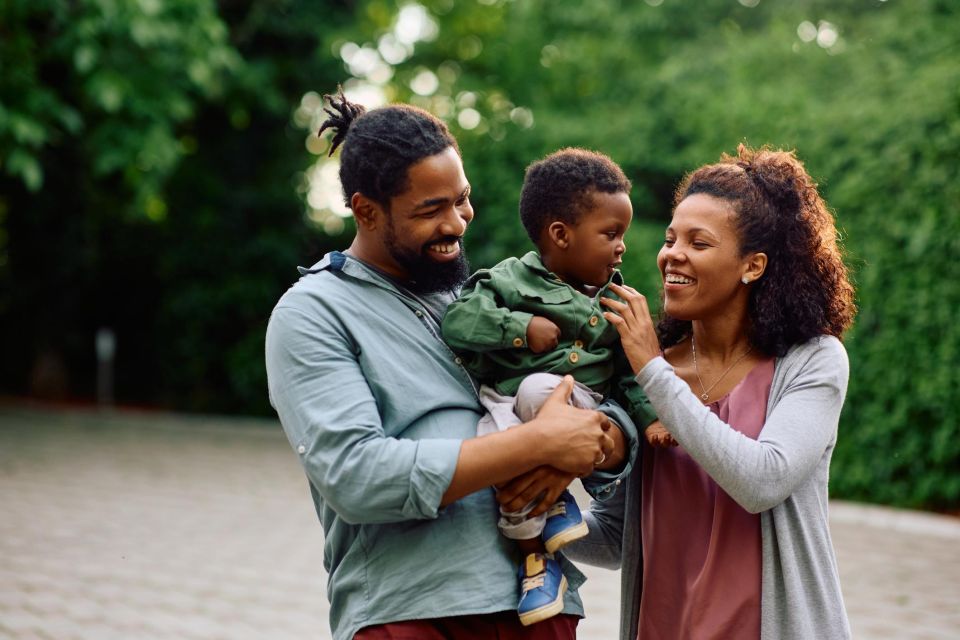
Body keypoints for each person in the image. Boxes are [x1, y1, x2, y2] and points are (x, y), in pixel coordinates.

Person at [264, 89, 639, 640]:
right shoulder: (312, 314)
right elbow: (357, 477)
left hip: (542, 604)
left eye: (461, 199)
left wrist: (600, 440)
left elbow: (602, 398)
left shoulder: (477, 295)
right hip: (413, 614)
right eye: (430, 210)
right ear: (365, 210)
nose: (458, 223)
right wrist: (536, 445)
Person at [559, 144, 857, 639]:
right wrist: (529, 519)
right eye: (671, 237)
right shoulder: (642, 373)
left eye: (698, 243)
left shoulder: (812, 361)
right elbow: (616, 536)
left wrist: (653, 369)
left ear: (753, 266)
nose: (672, 253)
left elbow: (761, 480)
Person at [441, 148, 657, 626]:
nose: (622, 246)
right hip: (505, 403)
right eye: (611, 234)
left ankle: (553, 515)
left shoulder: (615, 301)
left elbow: (629, 375)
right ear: (561, 235)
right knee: (496, 460)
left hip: (577, 403)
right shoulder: (508, 279)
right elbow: (460, 321)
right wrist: (520, 328)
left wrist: (652, 418)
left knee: (541, 389)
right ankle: (538, 565)